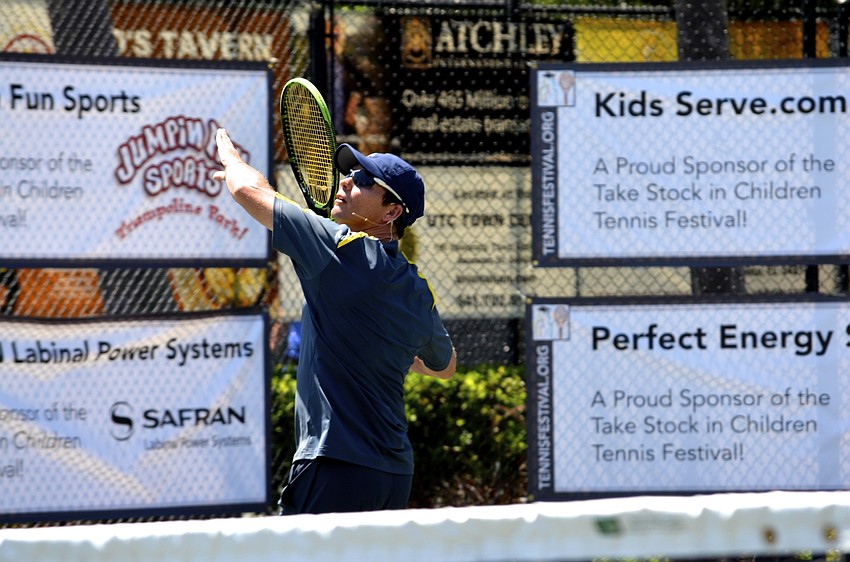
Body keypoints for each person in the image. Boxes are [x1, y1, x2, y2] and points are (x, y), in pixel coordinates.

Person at [212, 128, 457, 515]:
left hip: (334, 465)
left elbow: (249, 192)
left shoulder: (338, 247)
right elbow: (446, 366)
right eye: (349, 173)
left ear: (392, 212)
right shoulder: (417, 289)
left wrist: (232, 162)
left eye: (362, 179)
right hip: (393, 475)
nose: (346, 180)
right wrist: (401, 355)